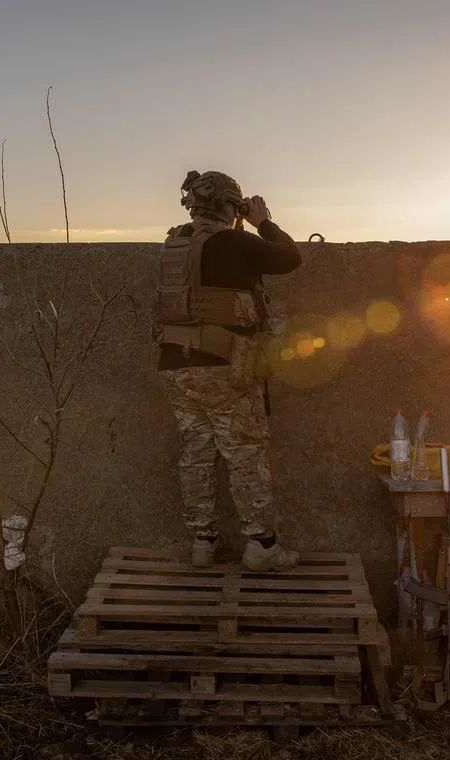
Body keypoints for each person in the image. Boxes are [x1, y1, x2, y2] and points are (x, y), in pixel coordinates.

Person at [154, 169, 301, 571]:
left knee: (196, 454)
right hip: (224, 367)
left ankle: (203, 543)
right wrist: (263, 221)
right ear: (228, 207)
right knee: (244, 454)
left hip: (176, 366)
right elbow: (290, 256)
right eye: (237, 208)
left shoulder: (173, 245)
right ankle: (262, 547)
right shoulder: (235, 241)